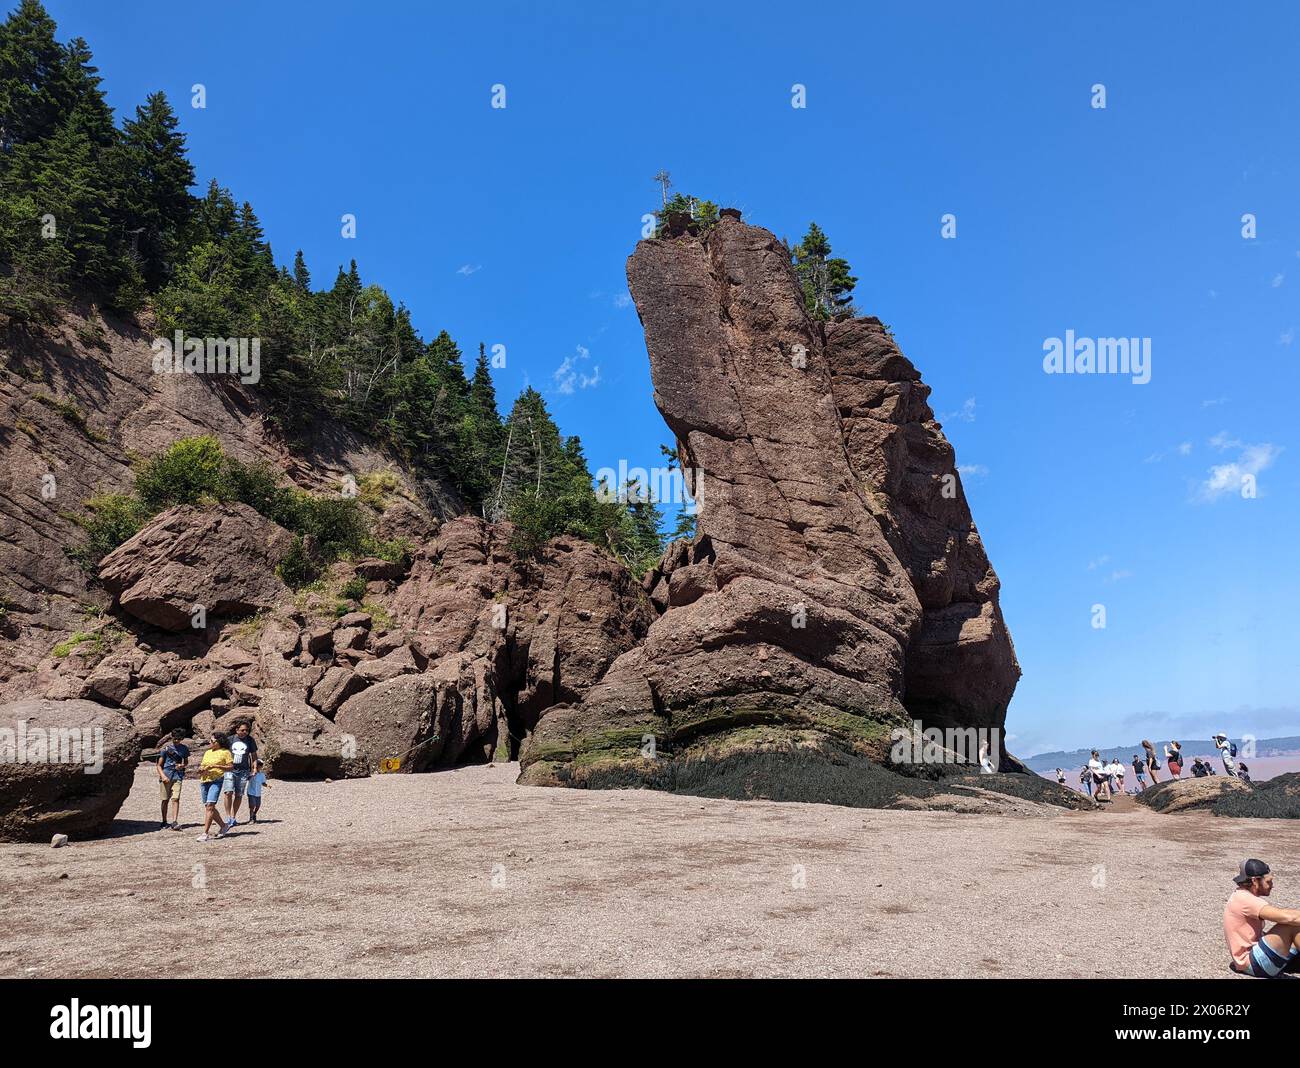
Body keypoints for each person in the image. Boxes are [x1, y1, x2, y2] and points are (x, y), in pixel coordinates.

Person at [1224, 859, 1300, 977]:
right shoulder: (1245, 900)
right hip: (1251, 963)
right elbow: (1288, 918)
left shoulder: (1241, 895)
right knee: (1291, 925)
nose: (1272, 886)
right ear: (1254, 881)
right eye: (1268, 882)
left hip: (1253, 960)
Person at [198, 733, 234, 842]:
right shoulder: (207, 752)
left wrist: (216, 766)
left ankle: (205, 833)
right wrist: (201, 769)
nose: (210, 742)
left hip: (216, 780)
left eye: (212, 741)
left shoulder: (225, 752)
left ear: (218, 742)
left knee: (210, 806)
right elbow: (202, 765)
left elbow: (231, 767)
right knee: (209, 807)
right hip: (204, 781)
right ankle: (224, 826)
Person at [223, 720, 258, 829]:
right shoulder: (230, 740)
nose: (245, 732)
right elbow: (223, 753)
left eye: (247, 730)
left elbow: (254, 755)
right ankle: (228, 816)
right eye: (242, 730)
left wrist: (255, 768)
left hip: (243, 771)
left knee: (239, 794)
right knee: (228, 792)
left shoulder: (250, 740)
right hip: (230, 770)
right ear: (237, 730)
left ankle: (233, 817)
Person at [156, 727, 189, 831]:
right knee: (165, 800)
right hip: (166, 775)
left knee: (176, 798)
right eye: (175, 738)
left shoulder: (184, 749)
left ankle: (174, 821)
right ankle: (164, 821)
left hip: (178, 776)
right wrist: (163, 776)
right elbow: (158, 765)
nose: (176, 741)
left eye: (179, 739)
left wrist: (182, 766)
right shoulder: (165, 750)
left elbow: (186, 762)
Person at [246, 758, 268, 823]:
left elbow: (263, 783)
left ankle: (254, 814)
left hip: (258, 793)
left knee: (258, 806)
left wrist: (267, 785)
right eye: (258, 766)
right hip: (251, 792)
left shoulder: (262, 775)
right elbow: (247, 779)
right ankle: (251, 818)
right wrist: (252, 775)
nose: (259, 768)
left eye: (260, 766)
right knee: (252, 805)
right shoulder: (251, 773)